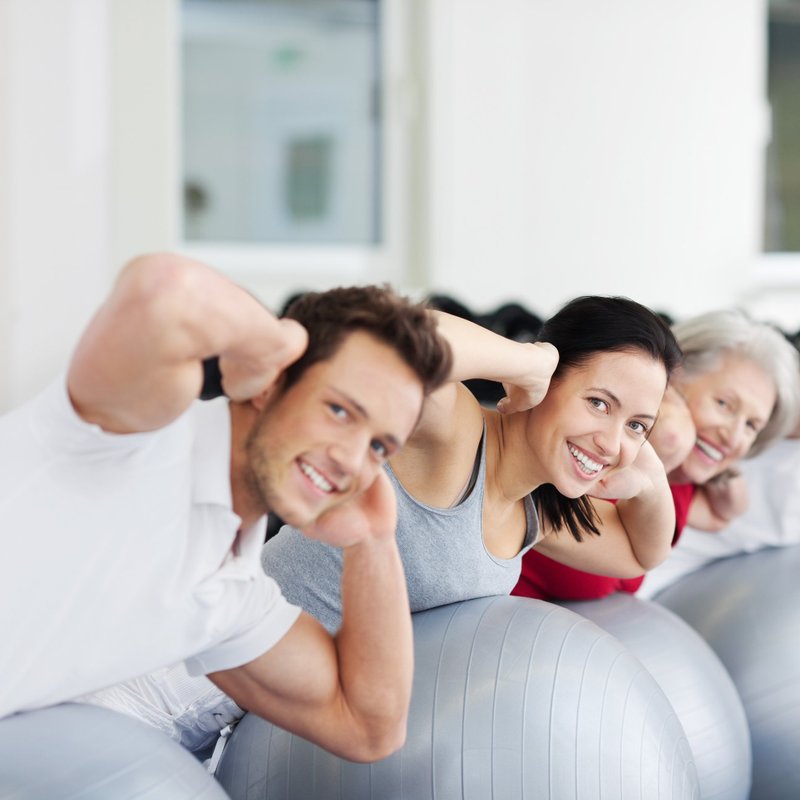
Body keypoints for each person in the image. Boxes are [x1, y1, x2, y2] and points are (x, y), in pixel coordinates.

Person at [94, 294, 684, 758]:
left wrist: (649, 479)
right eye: (599, 403)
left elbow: (638, 554)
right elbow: (391, 341)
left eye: (637, 424)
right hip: (178, 679)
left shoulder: (534, 511)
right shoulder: (455, 434)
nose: (610, 440)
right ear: (549, 383)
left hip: (276, 725)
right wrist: (529, 359)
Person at [0, 252, 453, 764]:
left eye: (379, 447)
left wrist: (374, 539)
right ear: (271, 383)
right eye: (339, 410)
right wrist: (276, 343)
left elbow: (370, 728)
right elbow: (163, 290)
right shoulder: (140, 430)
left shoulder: (230, 593)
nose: (352, 459)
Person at [514, 308, 800, 602]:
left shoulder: (684, 485)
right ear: (671, 376)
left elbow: (717, 516)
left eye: (752, 425)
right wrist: (671, 430)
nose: (734, 436)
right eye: (724, 404)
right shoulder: (600, 447)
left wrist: (727, 485)